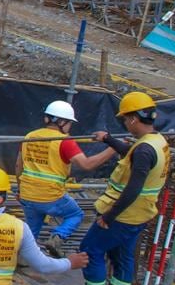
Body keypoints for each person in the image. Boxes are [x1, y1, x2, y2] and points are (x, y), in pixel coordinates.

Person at [61, 92, 171, 285]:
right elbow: (131, 155)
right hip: (139, 215)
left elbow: (133, 188)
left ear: (133, 119)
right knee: (123, 257)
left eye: (125, 120)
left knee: (90, 249)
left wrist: (109, 216)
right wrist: (108, 139)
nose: (126, 124)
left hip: (122, 215)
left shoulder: (143, 150)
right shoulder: (156, 142)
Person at [15, 100, 115, 256]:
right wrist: (112, 148)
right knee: (75, 215)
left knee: (31, 231)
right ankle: (57, 237)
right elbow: (86, 165)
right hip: (51, 196)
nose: (70, 127)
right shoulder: (64, 142)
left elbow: (18, 166)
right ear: (61, 121)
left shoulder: (30, 136)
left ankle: (22, 258)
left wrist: (20, 189)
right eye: (69, 123)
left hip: (28, 193)